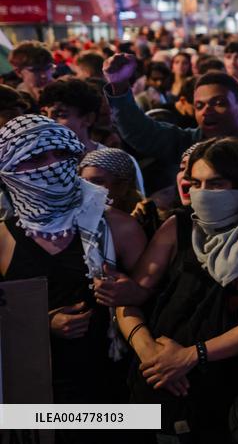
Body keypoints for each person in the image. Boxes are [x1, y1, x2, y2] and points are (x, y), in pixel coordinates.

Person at [116, 137, 238, 442]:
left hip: (220, 389)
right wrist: (152, 354)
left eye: (215, 184)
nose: (201, 194)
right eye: (195, 183)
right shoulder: (178, 226)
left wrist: (191, 356)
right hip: (156, 379)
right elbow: (134, 296)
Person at [0, 115, 146, 407]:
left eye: (63, 153)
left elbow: (158, 298)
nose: (53, 165)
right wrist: (42, 323)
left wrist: (136, 292)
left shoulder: (118, 227)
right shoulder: (3, 238)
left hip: (117, 391)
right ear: (9, 170)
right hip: (35, 397)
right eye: (37, 157)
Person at [102, 56, 238, 237]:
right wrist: (119, 85)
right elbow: (142, 132)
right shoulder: (187, 145)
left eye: (218, 103)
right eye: (199, 106)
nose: (207, 111)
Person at [39, 77, 105, 153]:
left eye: (60, 115)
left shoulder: (108, 161)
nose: (48, 122)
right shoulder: (36, 158)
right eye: (44, 114)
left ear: (88, 119)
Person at [79, 148, 144, 218]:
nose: (86, 188)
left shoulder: (139, 225)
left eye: (98, 182)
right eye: (83, 181)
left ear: (122, 188)